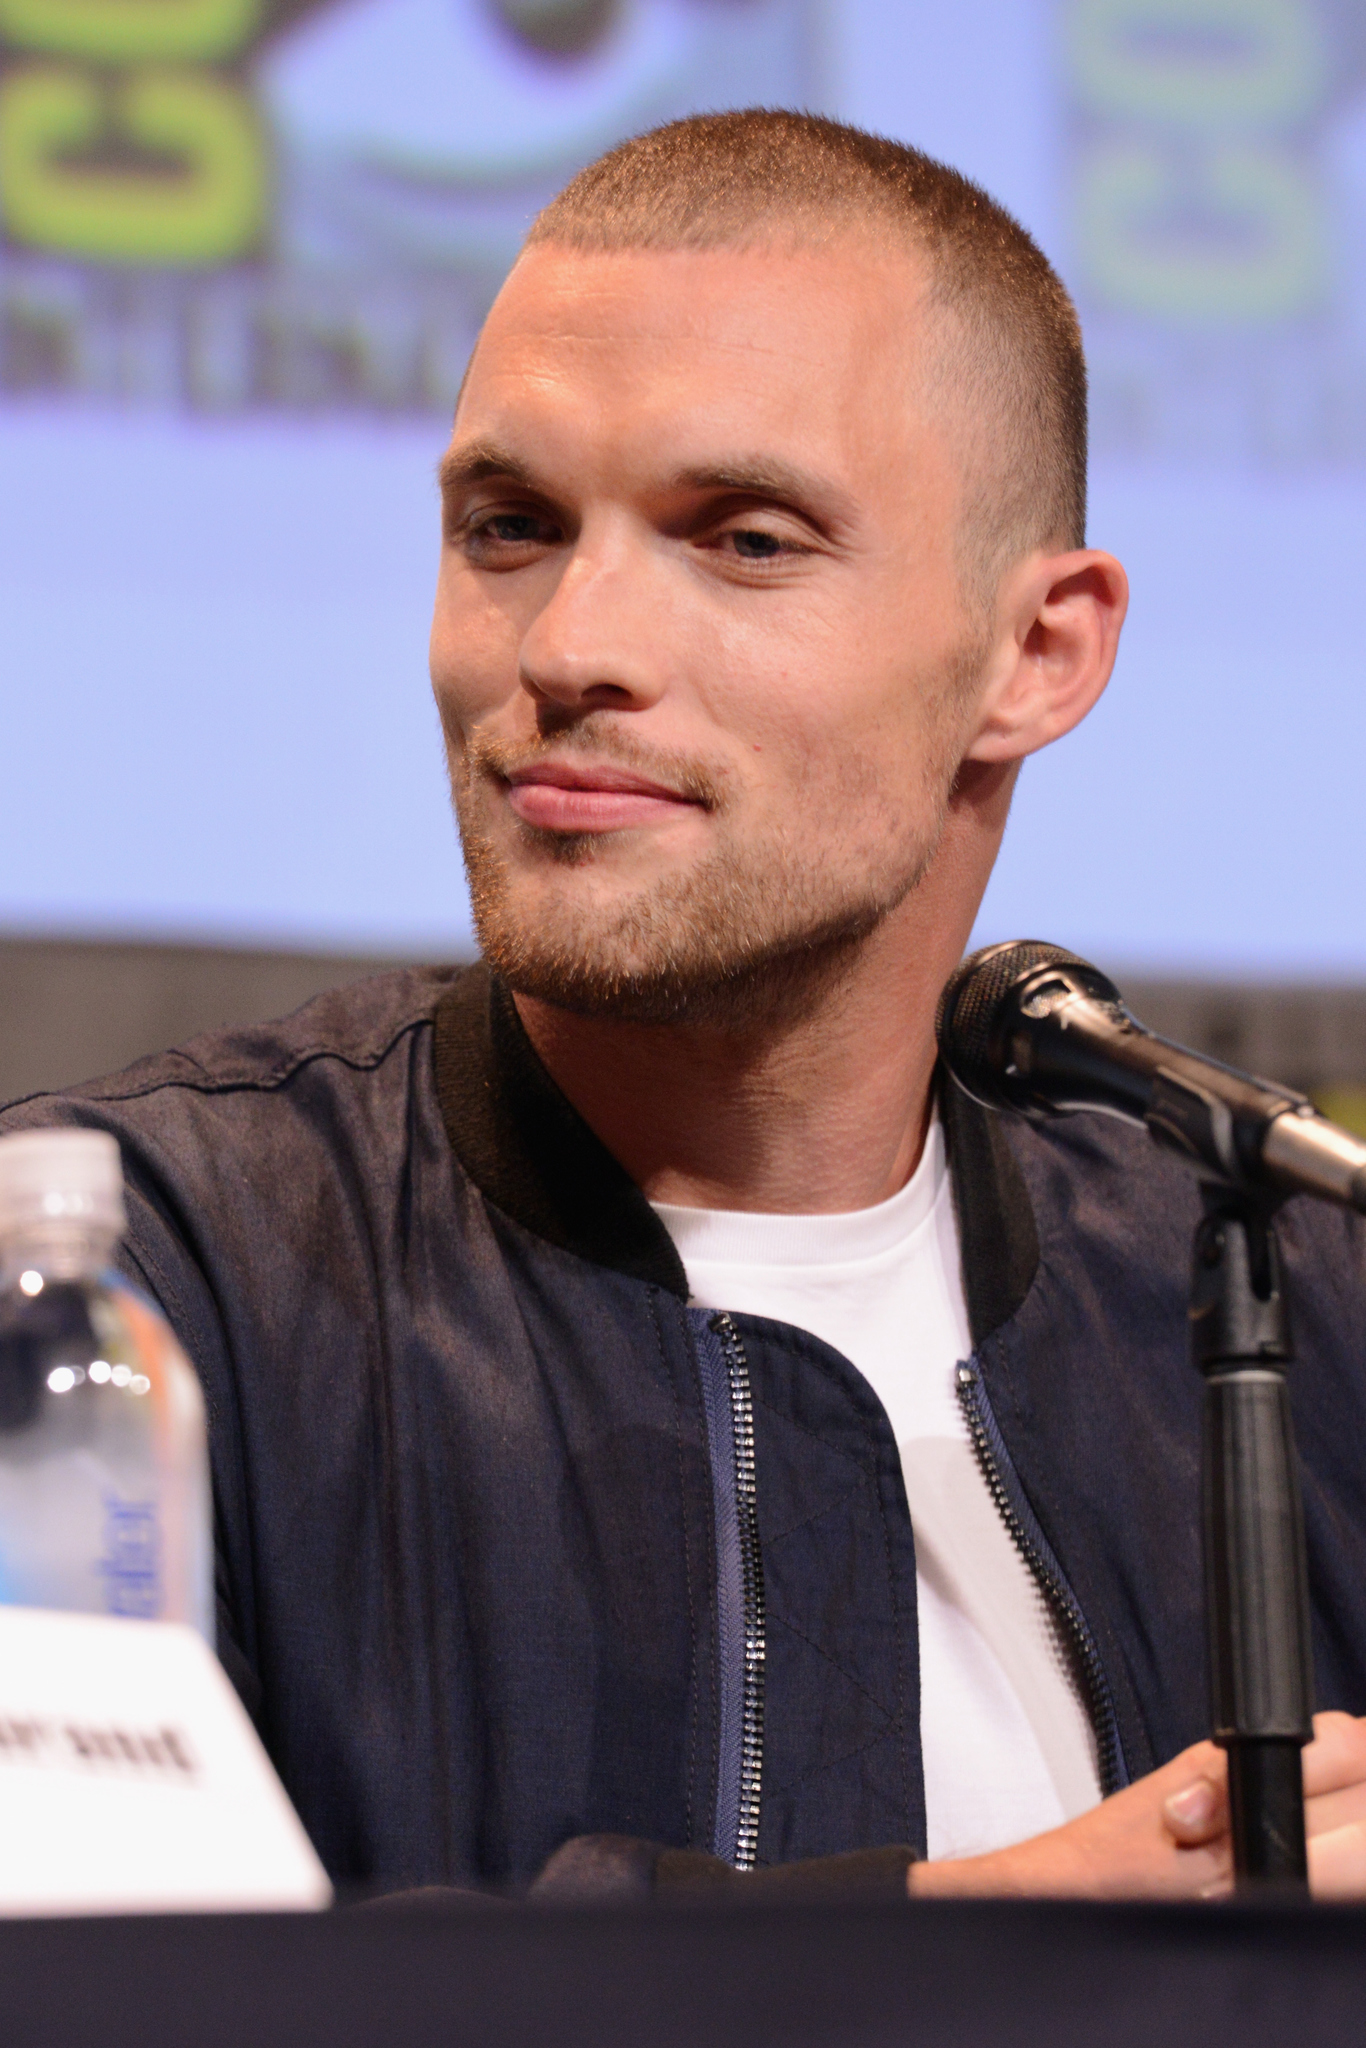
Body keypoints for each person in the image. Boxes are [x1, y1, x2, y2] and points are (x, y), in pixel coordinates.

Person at [6, 109, 1366, 1903]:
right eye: (508, 527)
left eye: (743, 539)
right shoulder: (122, 1294)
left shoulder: (1284, 1304)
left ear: (1036, 654)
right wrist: (989, 1943)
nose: (568, 647)